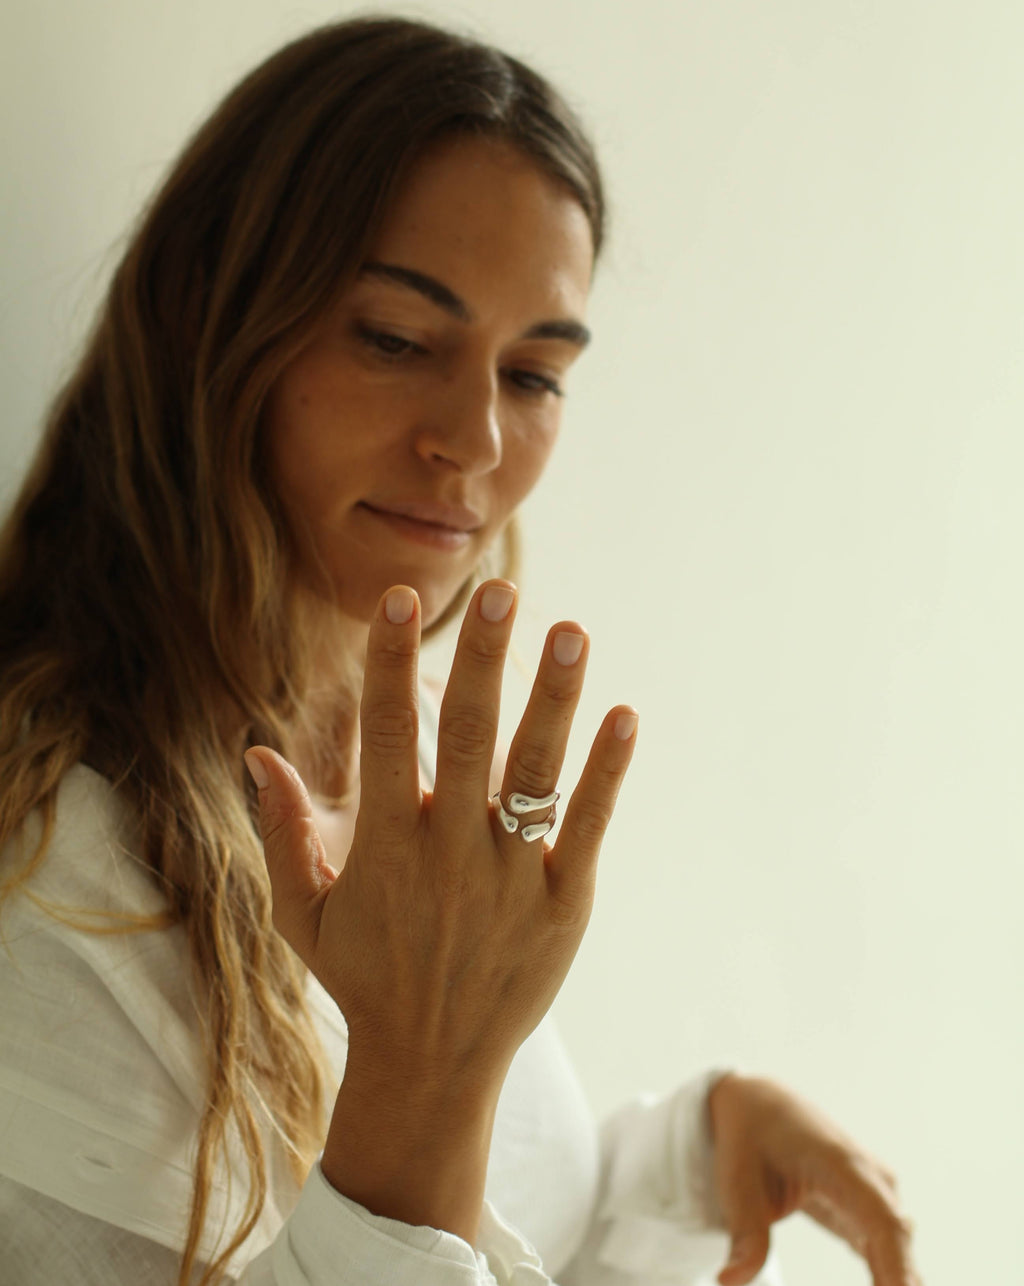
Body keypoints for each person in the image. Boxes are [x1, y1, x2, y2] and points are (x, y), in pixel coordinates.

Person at [0, 15, 921, 1286]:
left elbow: (491, 1230)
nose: (476, 439)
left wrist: (690, 1153)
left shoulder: (411, 757)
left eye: (536, 372)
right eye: (394, 338)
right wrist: (420, 1078)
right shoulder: (42, 857)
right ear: (209, 321)